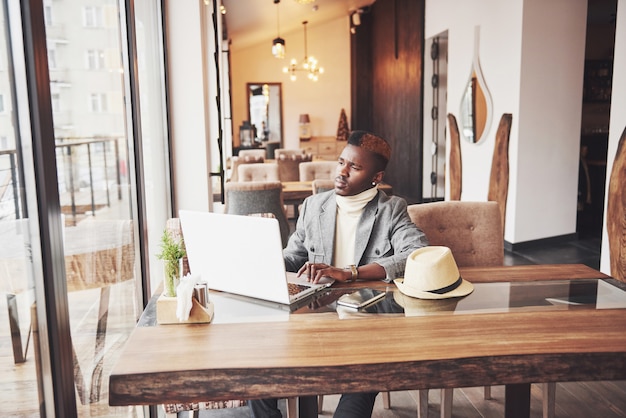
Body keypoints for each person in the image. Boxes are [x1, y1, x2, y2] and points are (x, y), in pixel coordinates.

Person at [248, 130, 428, 418]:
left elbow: (415, 255)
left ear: (376, 177)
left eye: (354, 167)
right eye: (341, 162)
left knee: (362, 381)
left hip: (368, 319)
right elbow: (294, 256)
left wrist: (349, 272)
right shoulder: (313, 206)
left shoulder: (391, 209)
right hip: (314, 314)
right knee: (258, 369)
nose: (341, 172)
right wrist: (260, 263)